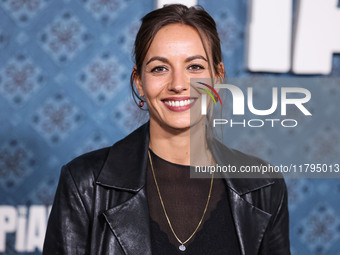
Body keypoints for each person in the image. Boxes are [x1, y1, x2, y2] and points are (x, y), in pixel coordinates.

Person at [43, 4, 290, 255]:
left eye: (194, 67)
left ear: (218, 76)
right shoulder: (85, 183)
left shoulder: (263, 185)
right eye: (160, 68)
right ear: (139, 82)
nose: (178, 84)